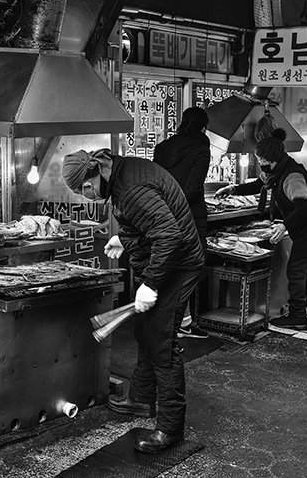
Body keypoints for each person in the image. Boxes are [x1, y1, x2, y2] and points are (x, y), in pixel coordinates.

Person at [61, 149, 204, 454]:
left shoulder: (131, 189)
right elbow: (152, 226)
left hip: (179, 265)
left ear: (94, 175)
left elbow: (169, 237)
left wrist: (150, 285)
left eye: (85, 190)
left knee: (161, 343)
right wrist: (124, 240)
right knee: (145, 331)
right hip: (164, 259)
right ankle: (140, 397)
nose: (87, 196)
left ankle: (170, 429)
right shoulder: (119, 172)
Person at [214, 129, 307, 330]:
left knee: (296, 270)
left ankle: (297, 316)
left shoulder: (292, 176)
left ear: (271, 159)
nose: (259, 162)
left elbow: (303, 207)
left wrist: (284, 224)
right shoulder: (277, 169)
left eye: (260, 159)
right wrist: (232, 189)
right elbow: (259, 184)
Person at [153, 107, 210, 340]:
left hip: (163, 214)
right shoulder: (201, 150)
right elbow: (194, 187)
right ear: (203, 127)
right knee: (191, 268)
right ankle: (178, 324)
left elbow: (157, 180)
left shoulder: (162, 148)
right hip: (189, 216)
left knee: (169, 268)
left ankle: (178, 322)